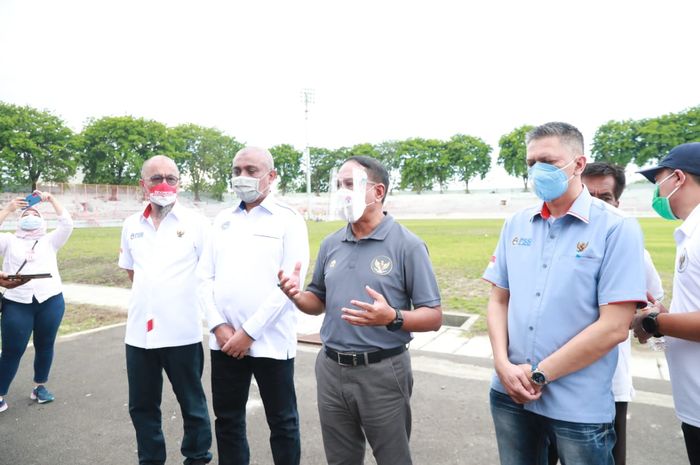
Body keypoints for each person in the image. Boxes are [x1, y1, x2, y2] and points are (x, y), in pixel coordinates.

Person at [483, 122, 647, 465]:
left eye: (547, 160)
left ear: (578, 164)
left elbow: (615, 326)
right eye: (531, 163)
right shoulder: (516, 224)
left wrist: (540, 373)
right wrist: (502, 364)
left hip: (578, 406)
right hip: (510, 394)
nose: (537, 170)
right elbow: (499, 299)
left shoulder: (617, 229)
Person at [278, 155, 442, 465]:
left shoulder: (408, 245)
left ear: (377, 192)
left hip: (382, 370)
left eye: (351, 184)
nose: (342, 192)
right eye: (340, 184)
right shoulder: (331, 243)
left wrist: (392, 317)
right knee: (340, 459)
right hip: (331, 368)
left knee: (392, 458)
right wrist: (298, 297)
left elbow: (433, 316)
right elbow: (318, 300)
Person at [196, 146, 309, 465]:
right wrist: (218, 326)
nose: (241, 177)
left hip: (270, 342)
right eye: (236, 171)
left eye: (251, 171)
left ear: (271, 177)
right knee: (228, 422)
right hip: (224, 342)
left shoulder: (288, 220)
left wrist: (248, 332)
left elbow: (290, 284)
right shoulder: (221, 220)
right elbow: (204, 277)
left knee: (283, 423)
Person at [546, 162, 664, 465]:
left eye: (606, 197)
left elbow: (654, 305)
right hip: (551, 377)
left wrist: (643, 320)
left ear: (617, 202)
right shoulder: (552, 248)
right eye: (589, 193)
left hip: (609, 384)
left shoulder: (633, 249)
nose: (597, 203)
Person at [119, 155, 212, 465]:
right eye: (156, 178)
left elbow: (208, 275)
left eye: (171, 178)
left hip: (181, 332)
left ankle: (197, 458)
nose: (164, 184)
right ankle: (151, 459)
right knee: (142, 406)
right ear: (142, 185)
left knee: (192, 406)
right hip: (139, 335)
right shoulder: (131, 225)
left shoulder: (197, 224)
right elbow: (133, 272)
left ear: (179, 184)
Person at [633, 142, 700, 465]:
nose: (656, 192)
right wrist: (663, 314)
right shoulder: (690, 233)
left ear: (678, 177)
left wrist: (652, 323)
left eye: (657, 181)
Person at [0, 191, 73, 413]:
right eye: (26, 212)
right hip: (17, 303)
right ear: (19, 220)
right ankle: (0, 393)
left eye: (35, 212)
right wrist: (8, 209)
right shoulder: (9, 240)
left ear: (42, 220)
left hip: (50, 301)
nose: (30, 214)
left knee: (45, 344)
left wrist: (50, 200)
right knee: (12, 350)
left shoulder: (50, 240)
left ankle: (39, 386)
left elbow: (67, 223)